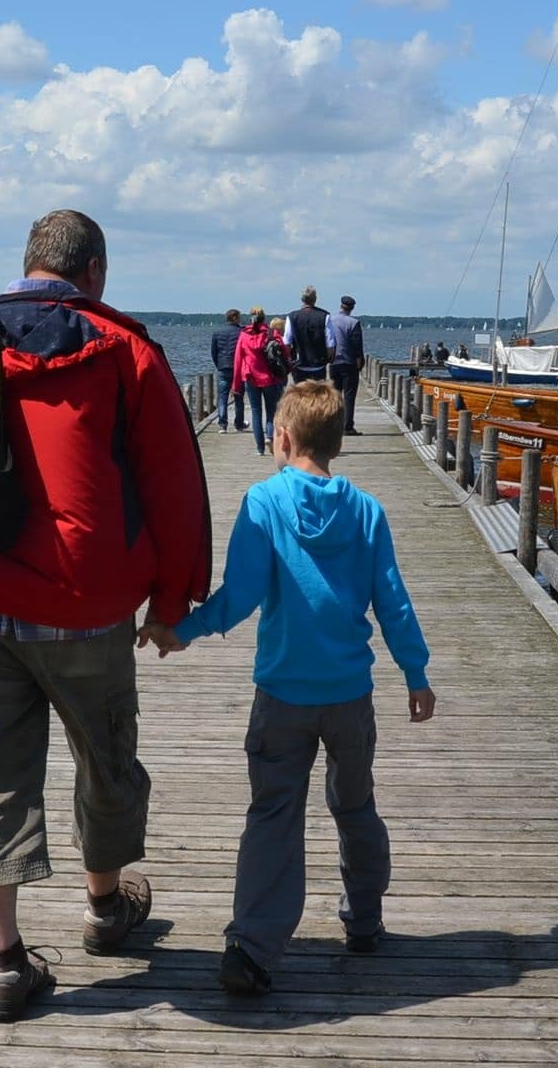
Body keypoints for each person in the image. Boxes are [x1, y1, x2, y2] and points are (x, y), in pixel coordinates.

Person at [0, 210, 212, 1021]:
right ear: (93, 271)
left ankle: (2, 965)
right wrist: (170, 606)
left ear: (27, 264)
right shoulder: (124, 349)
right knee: (106, 758)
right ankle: (104, 909)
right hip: (86, 605)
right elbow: (174, 489)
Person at [138, 381, 435, 993]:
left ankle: (252, 946)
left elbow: (241, 596)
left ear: (282, 437)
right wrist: (415, 673)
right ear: (336, 443)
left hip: (281, 696)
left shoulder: (264, 501)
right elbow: (394, 603)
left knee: (274, 814)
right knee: (355, 808)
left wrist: (183, 629)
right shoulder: (367, 511)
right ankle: (366, 917)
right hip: (349, 695)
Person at [233, 306, 287, 456]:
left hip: (251, 378)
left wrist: (236, 385)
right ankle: (270, 436)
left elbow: (237, 361)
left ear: (251, 318)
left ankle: (260, 448)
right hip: (270, 378)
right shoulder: (272, 334)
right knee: (271, 411)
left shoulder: (243, 336)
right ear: (264, 318)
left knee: (256, 413)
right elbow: (285, 353)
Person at [326, 294, 366, 435]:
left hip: (334, 362)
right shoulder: (354, 323)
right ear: (352, 308)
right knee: (349, 396)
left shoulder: (330, 320)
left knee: (335, 395)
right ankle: (347, 426)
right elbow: (357, 345)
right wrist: (360, 361)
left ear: (341, 305)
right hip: (349, 363)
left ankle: (333, 425)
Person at [284, 286, 332, 382]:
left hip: (299, 365)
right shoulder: (325, 316)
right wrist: (327, 359)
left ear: (302, 299)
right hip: (318, 365)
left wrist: (290, 359)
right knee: (318, 396)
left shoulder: (292, 316)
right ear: (315, 299)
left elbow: (286, 342)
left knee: (300, 396)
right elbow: (330, 344)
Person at [211, 307, 244, 433]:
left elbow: (214, 352)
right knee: (239, 397)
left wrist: (218, 364)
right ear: (235, 318)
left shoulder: (217, 332)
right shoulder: (242, 332)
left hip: (223, 367)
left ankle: (223, 424)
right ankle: (239, 424)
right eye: (239, 317)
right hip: (237, 368)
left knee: (222, 397)